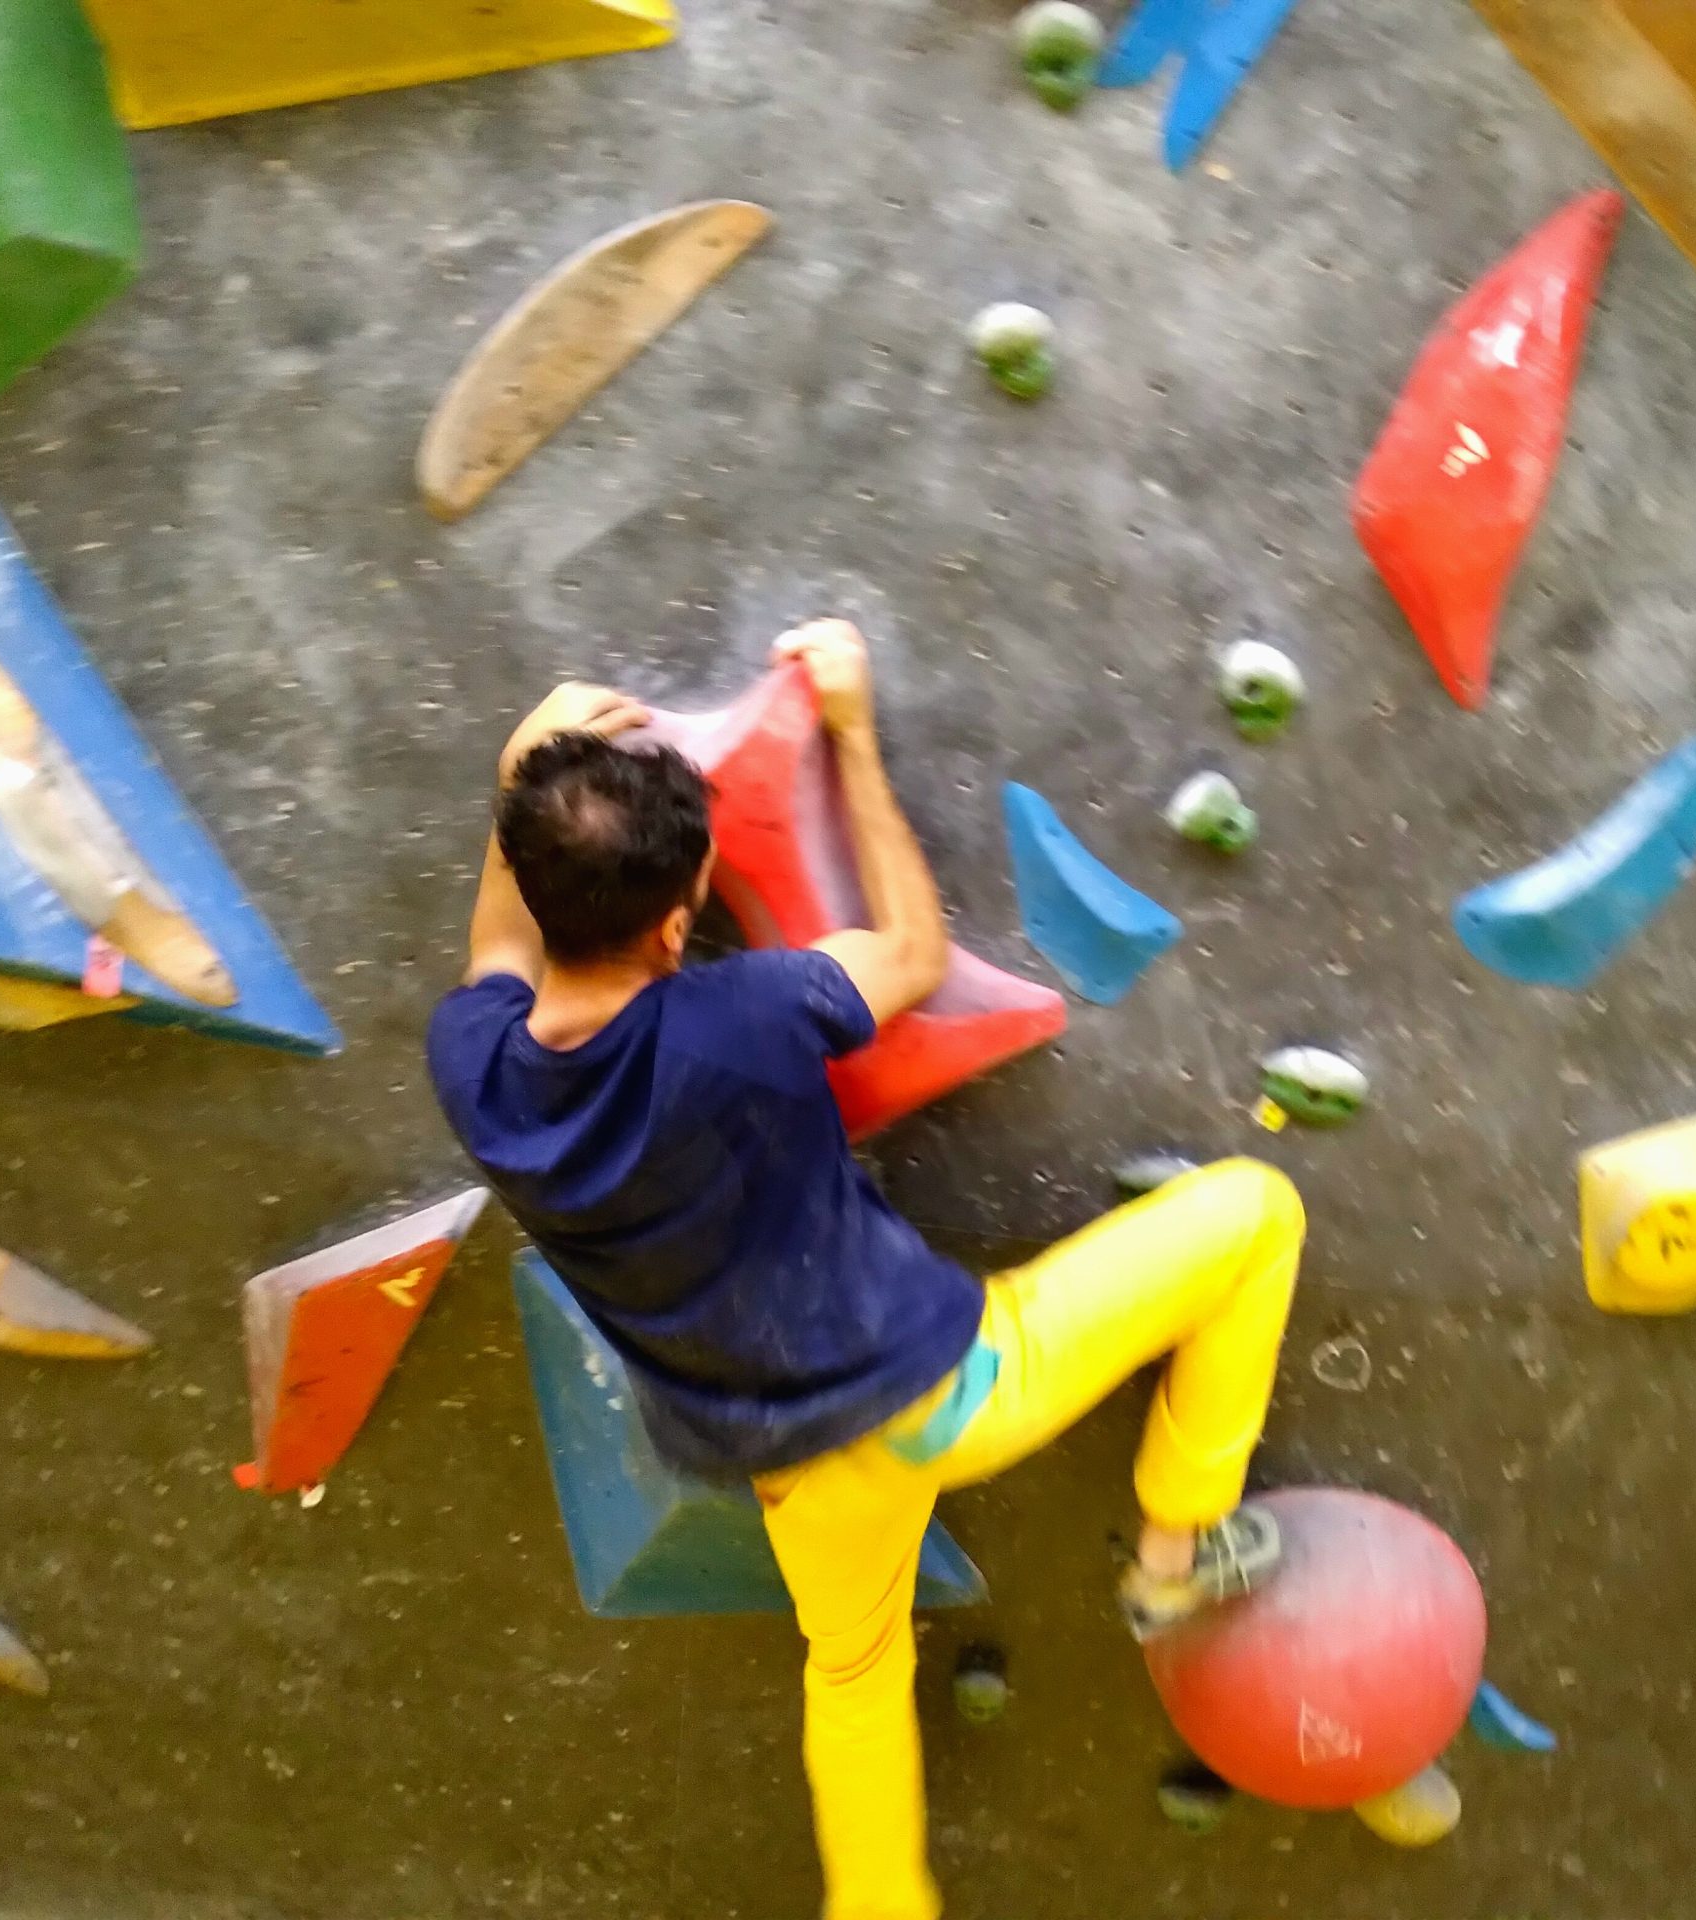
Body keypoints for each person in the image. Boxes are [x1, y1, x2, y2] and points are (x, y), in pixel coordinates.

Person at [426, 620, 1306, 1920]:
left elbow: (499, 945)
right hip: (943, 1386)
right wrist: (850, 729)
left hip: (784, 1462)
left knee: (851, 1671)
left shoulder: (479, 1069)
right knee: (1256, 1213)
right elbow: (910, 951)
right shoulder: (747, 1015)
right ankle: (1174, 1547)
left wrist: (523, 780)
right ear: (677, 923)